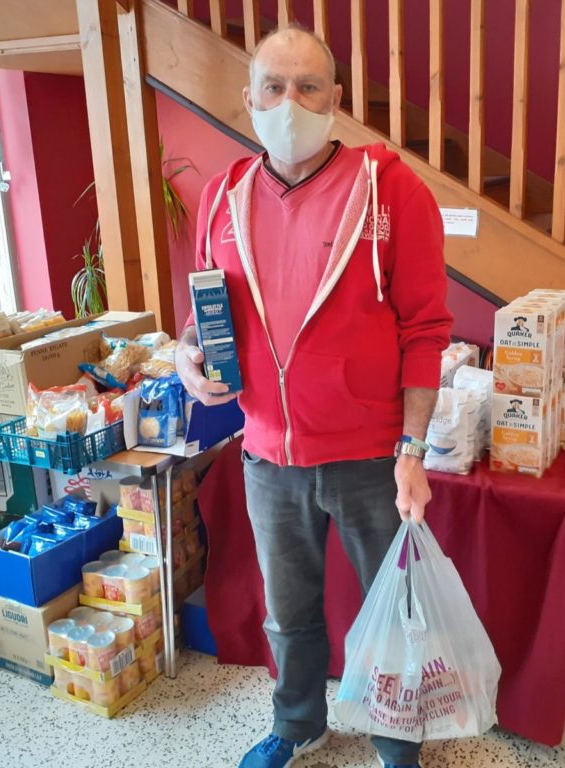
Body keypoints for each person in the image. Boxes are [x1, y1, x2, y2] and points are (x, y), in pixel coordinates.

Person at [175, 23, 452, 768]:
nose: (289, 101)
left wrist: (413, 450)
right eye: (274, 86)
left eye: (307, 86)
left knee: (391, 612)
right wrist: (186, 360)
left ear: (336, 100)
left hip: (370, 457)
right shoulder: (223, 199)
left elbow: (425, 329)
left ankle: (397, 738)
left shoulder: (392, 192)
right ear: (248, 98)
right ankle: (299, 723)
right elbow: (199, 322)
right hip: (267, 453)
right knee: (288, 613)